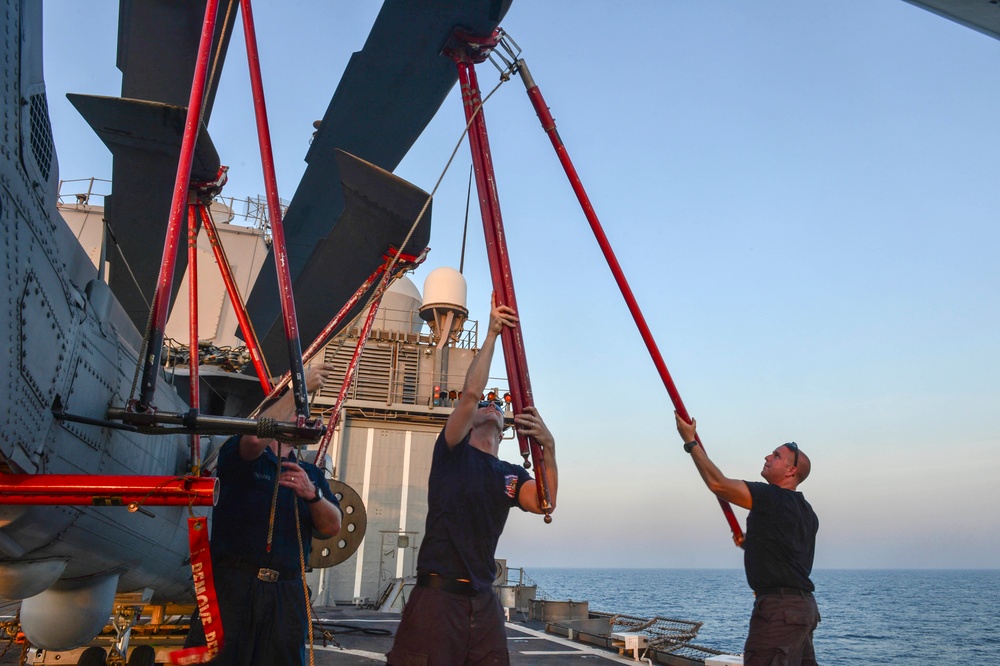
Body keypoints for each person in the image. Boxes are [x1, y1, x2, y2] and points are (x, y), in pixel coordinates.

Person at [387, 297, 558, 666]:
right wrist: (493, 332)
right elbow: (469, 395)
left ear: (504, 426)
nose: (492, 403)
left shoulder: (511, 475)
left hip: (483, 600)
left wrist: (550, 449)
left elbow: (545, 503)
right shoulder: (452, 452)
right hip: (437, 598)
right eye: (486, 403)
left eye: (498, 404)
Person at [185, 363, 343, 665]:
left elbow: (333, 525)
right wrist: (297, 392)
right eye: (298, 411)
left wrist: (313, 495)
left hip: (287, 591)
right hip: (234, 587)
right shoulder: (240, 454)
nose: (305, 417)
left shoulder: (310, 473)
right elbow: (255, 440)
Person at [675, 413, 819, 666]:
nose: (767, 457)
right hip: (802, 609)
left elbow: (718, 484)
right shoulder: (806, 512)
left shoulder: (772, 497)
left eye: (776, 456)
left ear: (791, 470)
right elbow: (785, 554)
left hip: (779, 612)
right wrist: (748, 543)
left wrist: (690, 443)